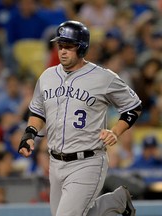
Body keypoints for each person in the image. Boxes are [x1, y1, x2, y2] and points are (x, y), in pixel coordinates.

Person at [18, 20, 142, 216]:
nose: (63, 51)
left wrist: (116, 131)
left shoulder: (103, 77)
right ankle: (116, 202)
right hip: (55, 161)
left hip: (88, 161)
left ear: (82, 48)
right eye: (60, 46)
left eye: (68, 46)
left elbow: (133, 107)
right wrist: (29, 133)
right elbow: (38, 112)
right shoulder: (47, 76)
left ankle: (115, 203)